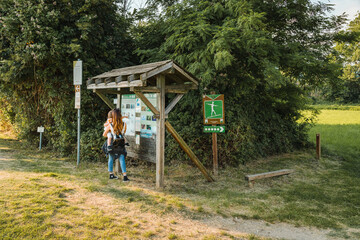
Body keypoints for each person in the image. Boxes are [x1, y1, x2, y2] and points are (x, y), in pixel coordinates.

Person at [103, 109, 130, 181]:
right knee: (121, 158)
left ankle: (111, 174)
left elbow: (104, 134)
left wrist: (109, 135)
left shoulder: (110, 125)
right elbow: (123, 133)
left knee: (111, 158)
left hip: (112, 144)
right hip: (120, 144)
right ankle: (125, 176)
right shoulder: (124, 124)